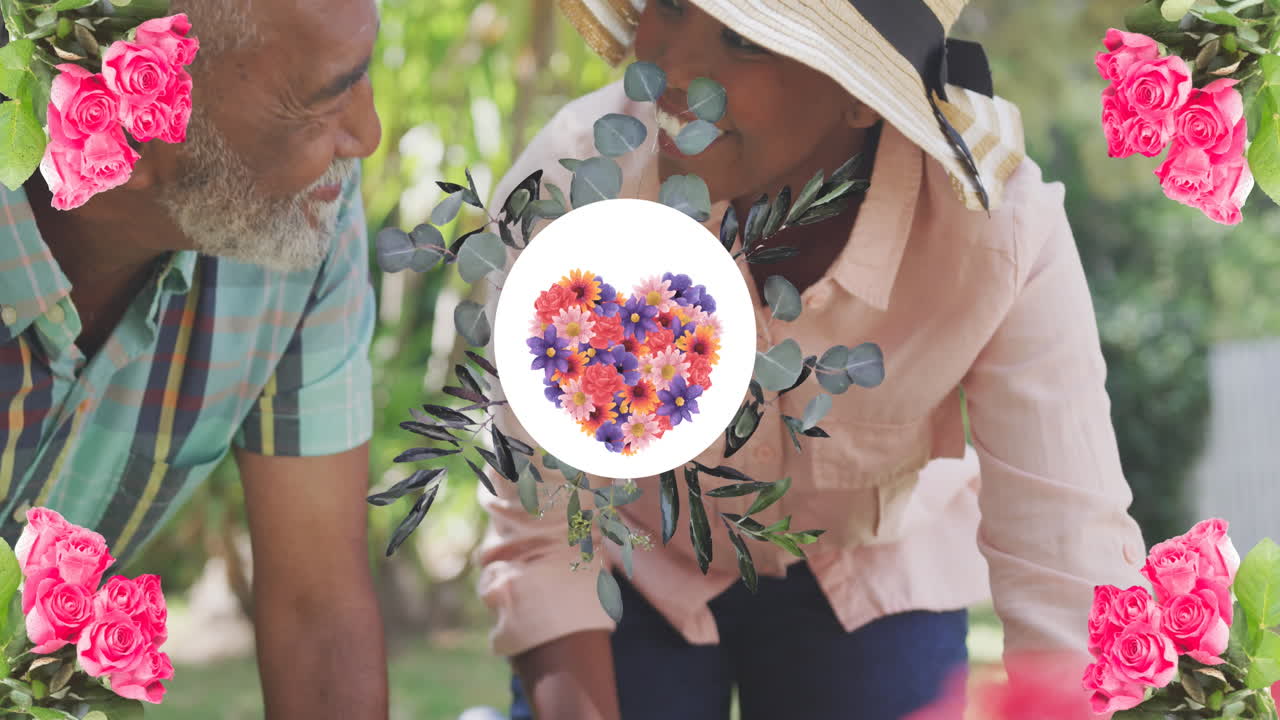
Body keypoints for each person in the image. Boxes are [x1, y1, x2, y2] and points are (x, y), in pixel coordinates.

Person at [475, 1, 1149, 719]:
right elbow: (547, 525)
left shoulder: (998, 234)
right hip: (631, 556)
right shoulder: (573, 193)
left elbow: (1066, 562)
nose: (665, 70)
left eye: (742, 38)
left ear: (864, 92)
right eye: (669, 4)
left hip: (869, 563)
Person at [0, 1, 387, 717]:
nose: (366, 136)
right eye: (327, 98)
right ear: (126, 123)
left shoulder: (302, 227)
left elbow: (317, 610)